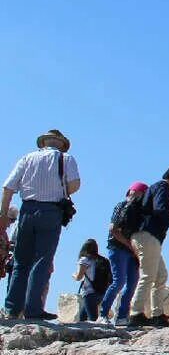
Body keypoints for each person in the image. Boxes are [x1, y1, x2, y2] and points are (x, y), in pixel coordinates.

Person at [2, 129, 81, 320]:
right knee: (42, 260)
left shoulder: (27, 158)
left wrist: (3, 214)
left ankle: (12, 308)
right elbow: (75, 184)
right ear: (61, 144)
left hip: (27, 209)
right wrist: (60, 189)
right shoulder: (66, 158)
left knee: (21, 261)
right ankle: (33, 309)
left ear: (44, 142)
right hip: (51, 211)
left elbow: (8, 187)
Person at [129, 164, 169, 327]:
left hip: (146, 237)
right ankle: (136, 313)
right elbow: (161, 210)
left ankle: (157, 314)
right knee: (148, 275)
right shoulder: (162, 188)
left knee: (160, 275)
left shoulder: (156, 188)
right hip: (148, 236)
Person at [100, 182, 146, 325]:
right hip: (118, 248)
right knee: (118, 282)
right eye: (136, 193)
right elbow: (114, 230)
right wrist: (130, 246)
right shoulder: (122, 207)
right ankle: (103, 314)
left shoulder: (141, 212)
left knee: (132, 284)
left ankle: (122, 316)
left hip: (132, 252)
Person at [73, 239, 108, 323]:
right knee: (82, 319)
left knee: (93, 320)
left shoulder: (85, 260)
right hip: (101, 292)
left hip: (89, 293)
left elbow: (79, 277)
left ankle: (100, 335)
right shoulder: (103, 260)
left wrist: (73, 275)